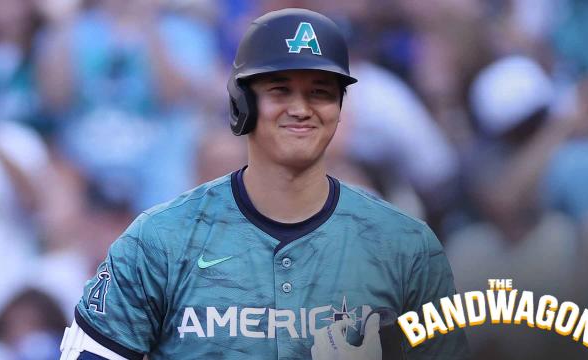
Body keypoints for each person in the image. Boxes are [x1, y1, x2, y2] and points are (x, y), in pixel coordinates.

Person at [60, 8, 469, 360]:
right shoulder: (159, 241)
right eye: (280, 89)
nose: (300, 108)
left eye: (320, 92)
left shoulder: (405, 246)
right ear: (243, 103)